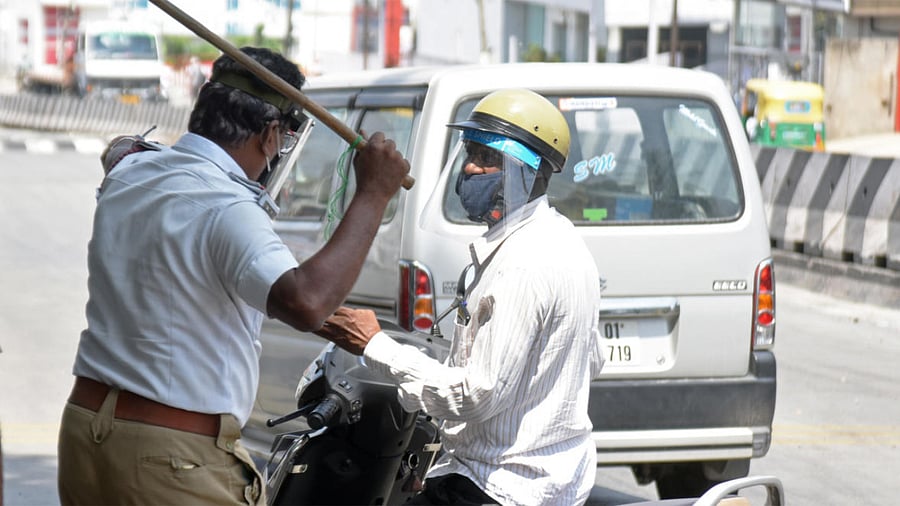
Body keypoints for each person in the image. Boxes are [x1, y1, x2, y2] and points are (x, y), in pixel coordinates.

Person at [57, 46, 409, 506]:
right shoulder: (226, 204)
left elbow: (126, 165)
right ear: (270, 134)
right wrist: (374, 193)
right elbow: (307, 302)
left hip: (87, 434)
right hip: (171, 458)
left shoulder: (132, 172)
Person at [315, 88, 605, 505]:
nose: (470, 167)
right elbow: (592, 359)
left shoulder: (523, 264)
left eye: (487, 159)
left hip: (501, 485)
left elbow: (473, 395)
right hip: (546, 482)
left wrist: (375, 345)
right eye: (470, 153)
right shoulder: (562, 239)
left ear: (529, 171)